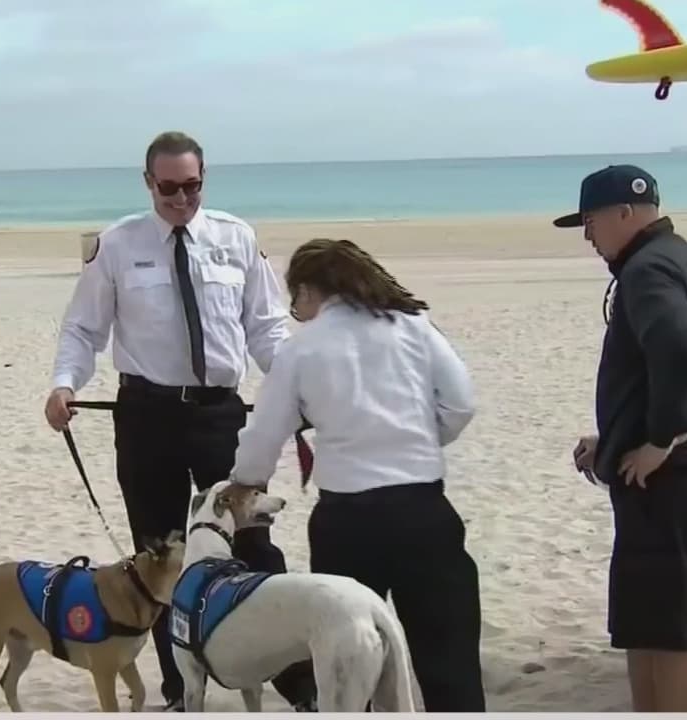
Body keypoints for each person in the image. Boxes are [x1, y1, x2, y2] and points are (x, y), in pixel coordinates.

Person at [43, 130, 317, 712]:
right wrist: (65, 383)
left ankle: (300, 687)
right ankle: (180, 691)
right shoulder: (117, 245)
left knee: (254, 546)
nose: (181, 198)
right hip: (147, 417)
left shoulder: (236, 237)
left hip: (221, 415)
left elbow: (266, 327)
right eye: (168, 188)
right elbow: (84, 328)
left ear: (204, 179)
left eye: (192, 186)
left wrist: (299, 387)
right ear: (149, 183)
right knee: (161, 559)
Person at [228, 238, 487, 712]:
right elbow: (460, 405)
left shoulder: (301, 348)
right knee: (449, 661)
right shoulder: (414, 326)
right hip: (422, 509)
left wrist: (244, 480)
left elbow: (264, 434)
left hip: (347, 521)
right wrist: (415, 439)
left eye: (296, 300)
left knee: (349, 670)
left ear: (309, 290)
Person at [556, 164, 687, 712]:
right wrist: (613, 439)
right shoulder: (679, 257)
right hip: (679, 462)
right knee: (644, 621)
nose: (588, 237)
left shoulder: (649, 269)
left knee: (667, 623)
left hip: (670, 474)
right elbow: (660, 370)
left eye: (591, 222)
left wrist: (659, 440)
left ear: (624, 213)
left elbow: (678, 352)